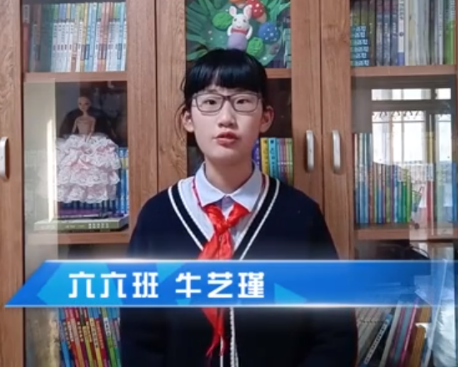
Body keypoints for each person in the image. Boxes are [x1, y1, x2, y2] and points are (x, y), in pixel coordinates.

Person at [119, 48, 357, 367]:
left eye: (243, 101)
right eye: (210, 102)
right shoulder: (158, 218)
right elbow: (139, 339)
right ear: (188, 118)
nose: (226, 118)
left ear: (265, 118)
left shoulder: (299, 216)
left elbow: (334, 335)